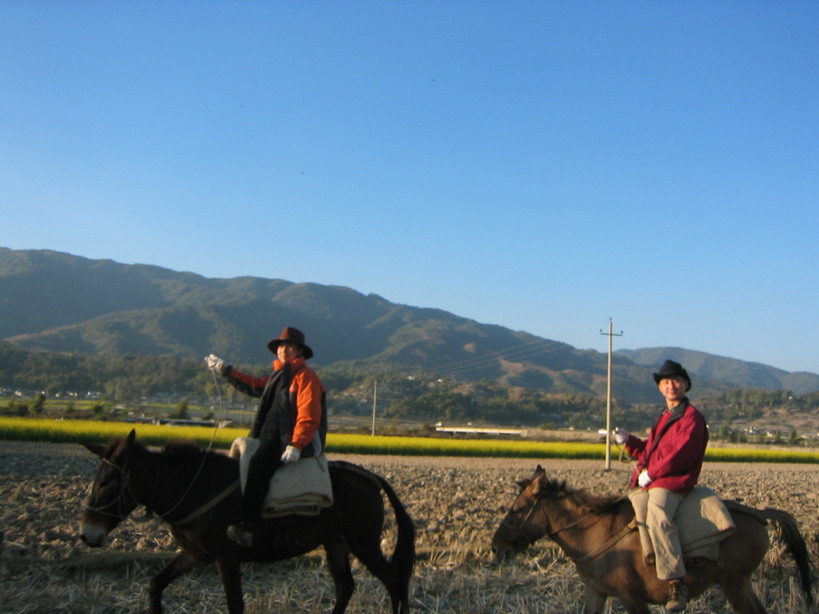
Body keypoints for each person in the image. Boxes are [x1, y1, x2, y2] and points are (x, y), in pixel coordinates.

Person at [205, 326, 327, 548]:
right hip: (267, 434)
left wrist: (296, 445)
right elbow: (252, 385)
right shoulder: (277, 376)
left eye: (289, 346)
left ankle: (249, 526)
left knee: (259, 465)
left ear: (299, 351)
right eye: (281, 346)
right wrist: (225, 369)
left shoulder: (306, 378)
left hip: (284, 439)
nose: (283, 350)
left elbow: (309, 416)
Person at [613, 360, 708, 612]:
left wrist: (651, 474)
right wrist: (629, 441)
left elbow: (679, 455)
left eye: (676, 380)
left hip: (673, 481)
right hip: (657, 478)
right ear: (659, 387)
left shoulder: (691, 418)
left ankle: (677, 582)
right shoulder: (665, 417)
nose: (671, 385)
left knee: (658, 516)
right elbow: (650, 450)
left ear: (686, 384)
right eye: (665, 382)